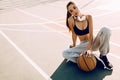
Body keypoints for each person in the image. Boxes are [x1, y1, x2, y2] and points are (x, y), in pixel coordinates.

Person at [62, 1, 113, 70]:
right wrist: (73, 45)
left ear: (78, 6)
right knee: (64, 53)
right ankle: (92, 59)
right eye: (71, 11)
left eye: (74, 8)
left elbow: (91, 34)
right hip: (83, 45)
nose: (74, 11)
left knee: (106, 29)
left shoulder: (88, 17)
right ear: (70, 13)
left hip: (93, 42)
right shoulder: (71, 20)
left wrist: (89, 49)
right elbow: (74, 34)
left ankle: (103, 56)